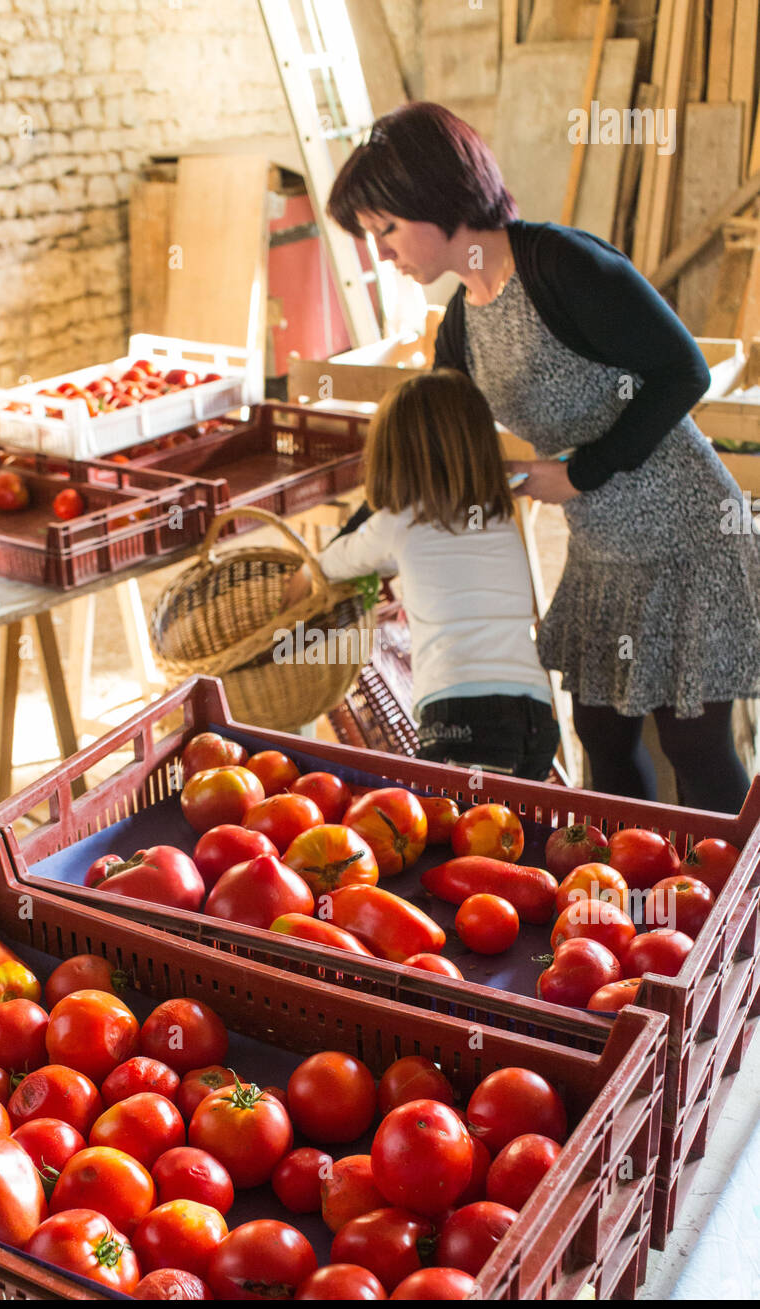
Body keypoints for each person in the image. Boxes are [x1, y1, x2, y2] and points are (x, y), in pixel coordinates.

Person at [324, 100, 760, 813]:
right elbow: (426, 458)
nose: (383, 254)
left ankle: (740, 920)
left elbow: (685, 372)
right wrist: (345, 548)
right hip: (602, 553)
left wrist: (582, 471)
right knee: (601, 738)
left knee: (696, 747)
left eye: (387, 230)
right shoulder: (463, 322)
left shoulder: (562, 265)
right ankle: (635, 902)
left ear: (436, 201)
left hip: (689, 538)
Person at [284, 368, 560, 779]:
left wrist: (297, 585)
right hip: (535, 711)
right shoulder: (496, 513)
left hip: (460, 715)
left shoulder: (397, 522)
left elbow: (328, 565)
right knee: (511, 831)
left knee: (460, 835)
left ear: (392, 457)